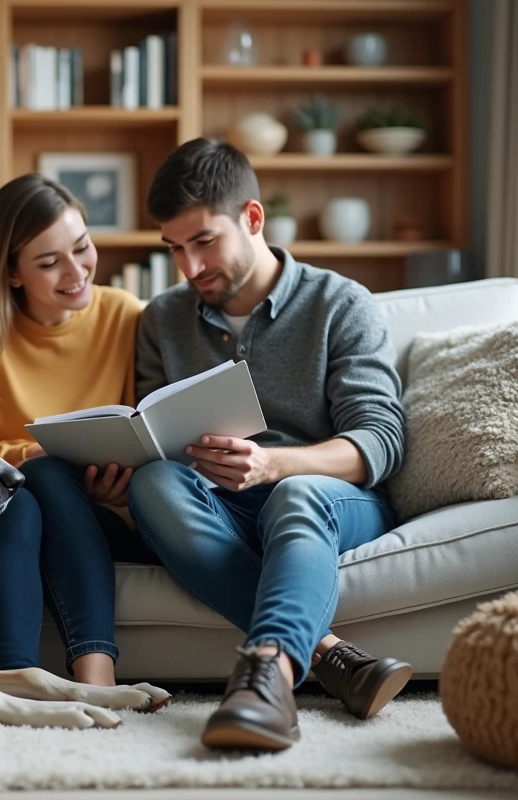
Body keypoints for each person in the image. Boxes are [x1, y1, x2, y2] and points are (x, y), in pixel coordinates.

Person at [128, 138, 413, 751]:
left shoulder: (341, 304)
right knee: (151, 483)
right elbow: (156, 440)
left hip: (330, 499)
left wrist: (272, 465)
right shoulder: (161, 320)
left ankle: (269, 677)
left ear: (252, 219)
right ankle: (332, 657)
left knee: (296, 495)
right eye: (174, 248)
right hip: (218, 502)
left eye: (204, 241)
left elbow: (380, 441)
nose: (190, 267)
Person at [0, 173, 158, 687]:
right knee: (25, 491)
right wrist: (47, 458)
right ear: (13, 273)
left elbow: (148, 426)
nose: (76, 271)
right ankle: (33, 681)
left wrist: (112, 473)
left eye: (82, 248)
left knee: (40, 481)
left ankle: (75, 679)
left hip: (92, 510)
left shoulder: (127, 318)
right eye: (49, 263)